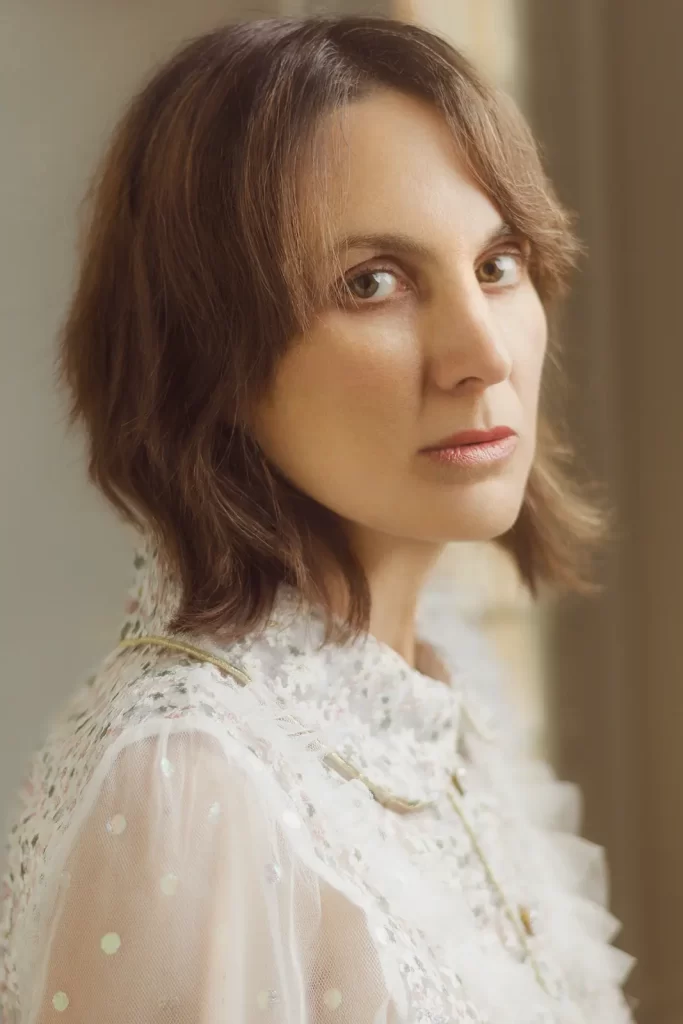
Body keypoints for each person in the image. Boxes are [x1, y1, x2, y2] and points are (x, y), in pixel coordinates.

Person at [0, 15, 633, 1023]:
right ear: (207, 358)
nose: (482, 353)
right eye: (370, 283)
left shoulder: (440, 693)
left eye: (496, 262)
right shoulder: (194, 782)